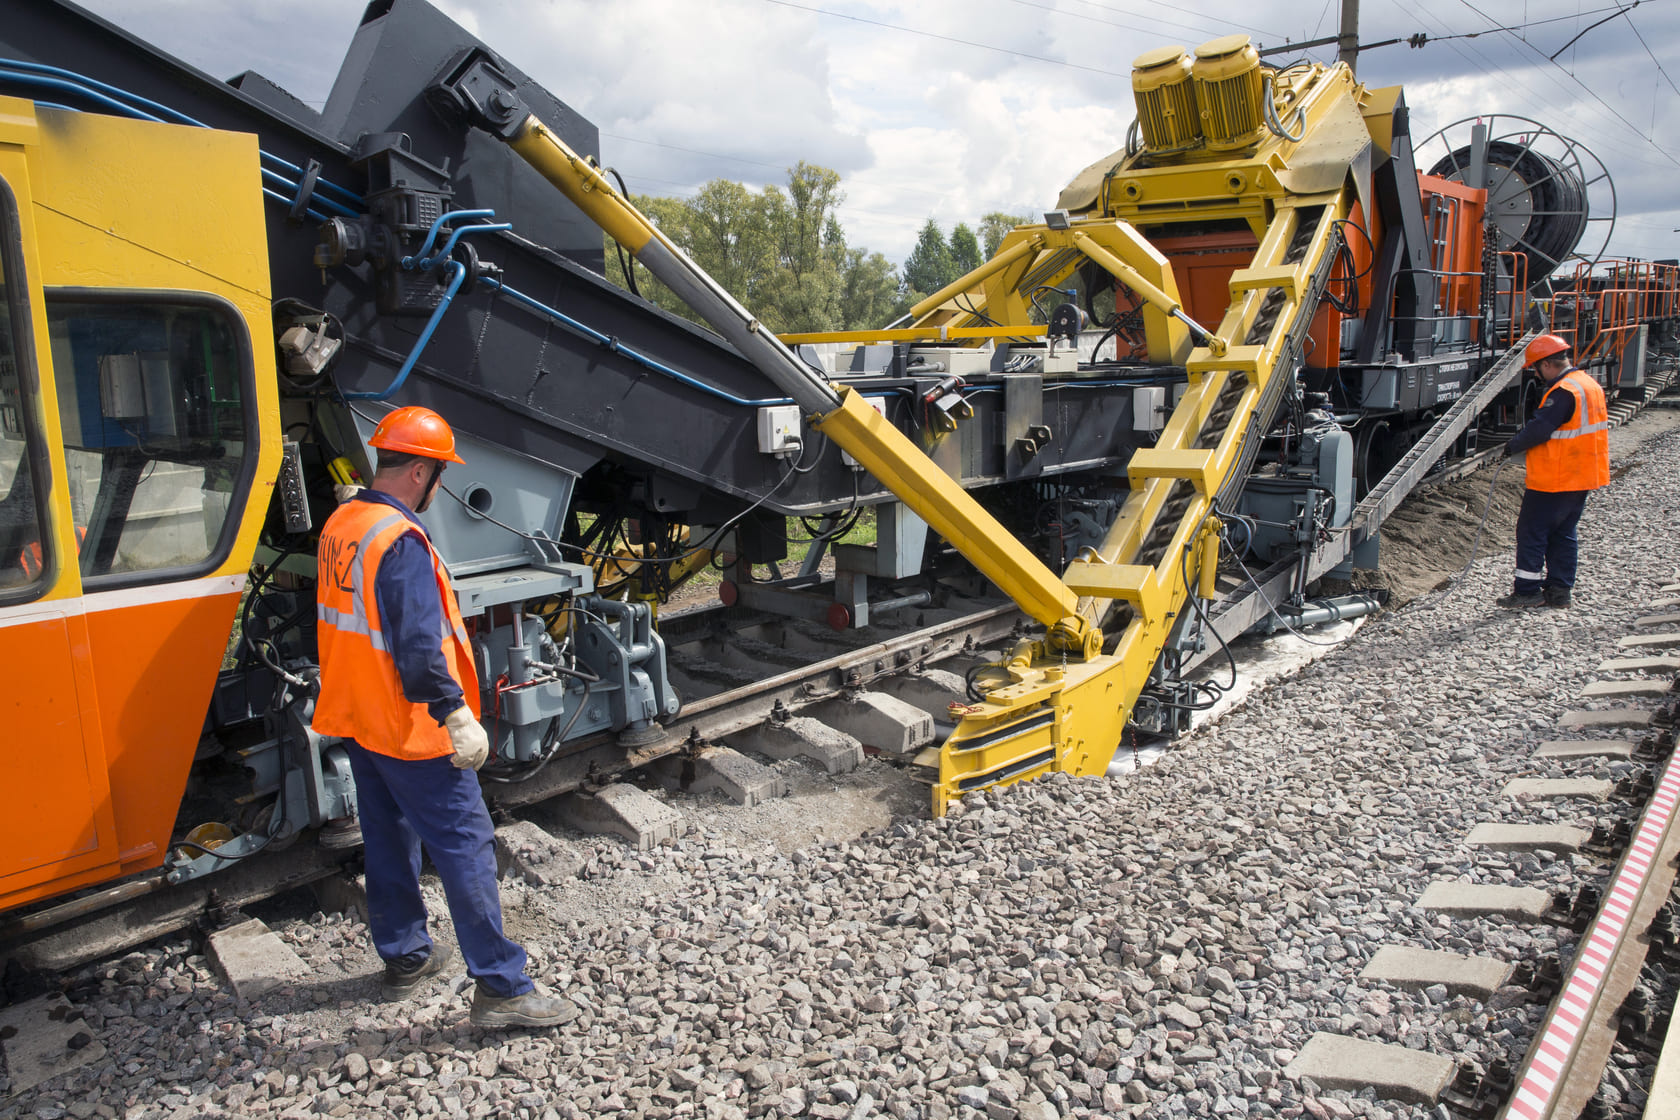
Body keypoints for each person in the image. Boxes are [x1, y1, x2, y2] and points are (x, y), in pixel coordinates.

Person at [313, 404, 568, 1028]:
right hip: (412, 728)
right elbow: (419, 646)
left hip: (361, 718)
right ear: (422, 472)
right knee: (466, 846)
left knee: (388, 837)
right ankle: (502, 989)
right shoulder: (399, 541)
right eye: (440, 474)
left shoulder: (344, 521)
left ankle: (405, 957)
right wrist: (455, 714)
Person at [1497, 334, 1610, 609]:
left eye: (1536, 368)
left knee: (1531, 531)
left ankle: (1527, 591)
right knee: (1564, 532)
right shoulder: (1589, 384)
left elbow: (1540, 428)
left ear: (1547, 364)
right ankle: (1560, 592)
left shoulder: (1563, 391)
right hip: (1582, 476)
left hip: (1555, 477)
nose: (1537, 375)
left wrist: (1511, 447)